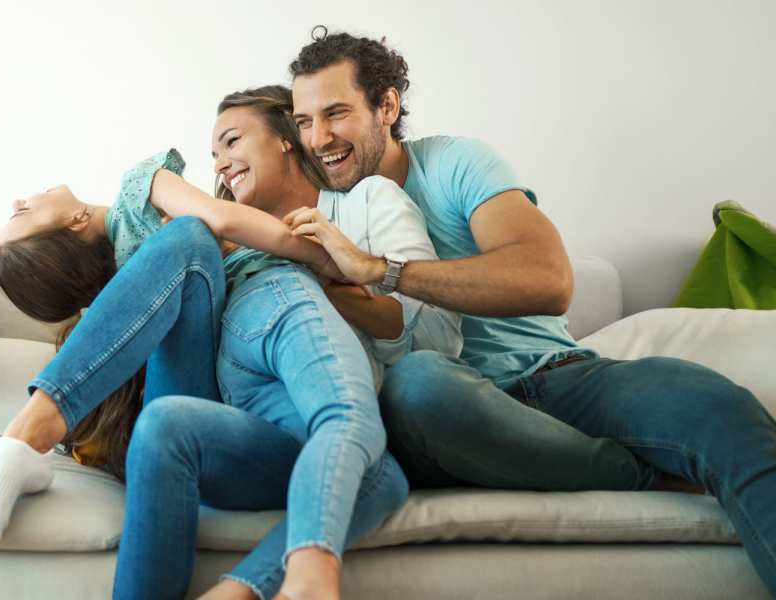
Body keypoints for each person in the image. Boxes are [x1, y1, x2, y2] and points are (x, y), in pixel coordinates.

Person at [285, 28, 776, 594]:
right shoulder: (317, 213)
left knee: (718, 406)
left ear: (387, 107)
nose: (318, 138)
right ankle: (638, 474)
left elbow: (548, 280)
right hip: (453, 411)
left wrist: (383, 270)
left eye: (336, 113)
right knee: (418, 385)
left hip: (564, 378)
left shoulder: (453, 164)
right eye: (303, 122)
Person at [0, 120, 422, 598]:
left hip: (241, 434)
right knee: (192, 234)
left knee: (382, 475)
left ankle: (237, 591)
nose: (18, 201)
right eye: (22, 215)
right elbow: (219, 217)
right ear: (73, 223)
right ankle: (29, 433)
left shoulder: (135, 276)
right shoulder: (142, 197)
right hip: (210, 410)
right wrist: (323, 257)